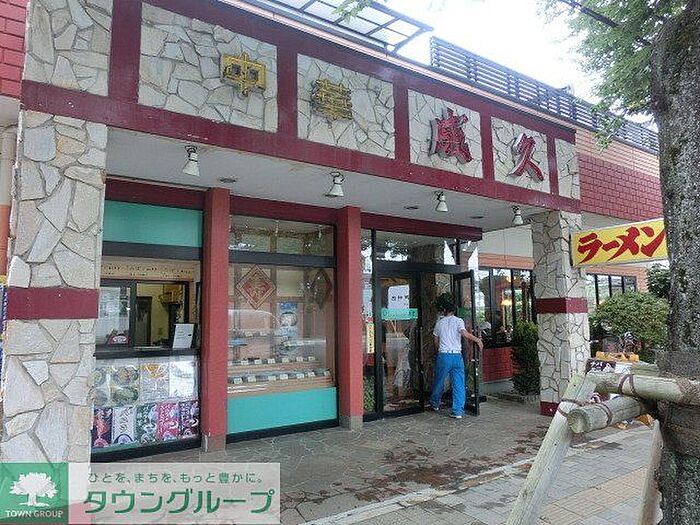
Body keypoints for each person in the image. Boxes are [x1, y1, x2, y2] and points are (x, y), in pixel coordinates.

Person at [430, 302, 484, 419]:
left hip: (444, 355)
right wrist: (477, 340)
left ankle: (435, 403)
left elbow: (435, 341)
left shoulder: (439, 323)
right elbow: (464, 333)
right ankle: (457, 411)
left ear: (444, 310)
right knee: (459, 383)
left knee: (439, 381)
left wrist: (438, 352)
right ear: (454, 311)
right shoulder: (459, 321)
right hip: (457, 356)